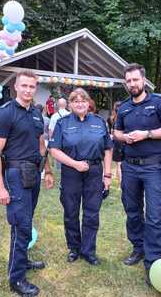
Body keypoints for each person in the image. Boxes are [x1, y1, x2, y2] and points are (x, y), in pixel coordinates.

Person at [0, 70, 54, 297]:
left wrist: (47, 170)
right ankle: (16, 279)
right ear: (16, 86)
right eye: (24, 85)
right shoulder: (6, 113)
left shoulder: (36, 114)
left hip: (34, 173)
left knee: (25, 220)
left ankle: (22, 260)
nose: (28, 90)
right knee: (21, 224)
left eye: (32, 86)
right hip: (16, 174)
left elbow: (41, 145)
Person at [114, 63, 161, 286]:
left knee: (154, 215)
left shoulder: (158, 102)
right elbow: (116, 132)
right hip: (130, 167)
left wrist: (146, 134)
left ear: (143, 80)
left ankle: (154, 262)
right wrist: (125, 138)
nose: (132, 84)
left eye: (135, 80)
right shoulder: (123, 108)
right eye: (128, 81)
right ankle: (138, 248)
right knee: (132, 211)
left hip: (153, 167)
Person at [49, 87, 112, 266]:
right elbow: (54, 150)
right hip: (71, 172)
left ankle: (88, 250)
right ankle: (74, 248)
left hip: (94, 172)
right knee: (71, 212)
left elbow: (108, 149)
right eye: (75, 101)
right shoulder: (63, 123)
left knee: (92, 213)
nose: (80, 104)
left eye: (83, 101)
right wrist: (75, 164)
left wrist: (107, 175)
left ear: (88, 103)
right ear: (70, 104)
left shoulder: (99, 122)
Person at [108, 101, 124, 188]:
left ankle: (120, 183)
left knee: (119, 164)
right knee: (122, 164)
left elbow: (111, 132)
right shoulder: (124, 117)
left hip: (116, 142)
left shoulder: (112, 118)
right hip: (123, 141)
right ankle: (122, 183)